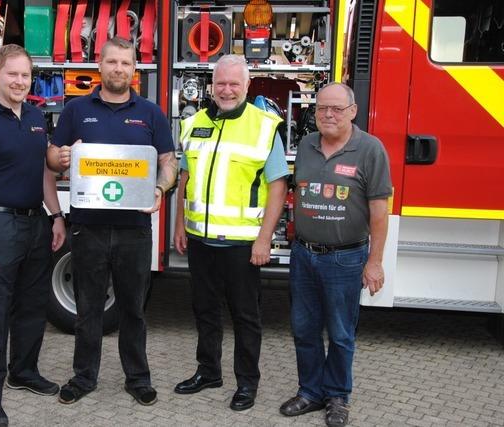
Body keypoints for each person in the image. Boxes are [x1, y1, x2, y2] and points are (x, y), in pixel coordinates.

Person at [46, 37, 177, 407]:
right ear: (100, 65)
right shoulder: (76, 110)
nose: (119, 69)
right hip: (87, 227)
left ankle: (138, 379)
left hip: (134, 230)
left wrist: (160, 188)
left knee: (133, 309)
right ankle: (83, 377)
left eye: (126, 63)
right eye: (113, 62)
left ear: (134, 69)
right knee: (88, 308)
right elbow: (52, 157)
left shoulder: (150, 113)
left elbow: (168, 161)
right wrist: (61, 157)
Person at [0, 44, 66, 427]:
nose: (20, 81)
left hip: (35, 223)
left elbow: (44, 174)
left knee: (32, 305)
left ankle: (24, 371)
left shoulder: (36, 117)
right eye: (13, 74)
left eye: (25, 75)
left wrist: (56, 216)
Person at [173, 55, 288, 411]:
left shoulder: (264, 127)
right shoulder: (194, 123)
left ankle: (247, 383)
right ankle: (208, 371)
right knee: (204, 310)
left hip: (242, 244)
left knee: (245, 316)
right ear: (212, 85)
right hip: (200, 240)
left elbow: (278, 186)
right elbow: (185, 177)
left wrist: (264, 239)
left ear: (247, 86)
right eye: (220, 83)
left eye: (234, 84)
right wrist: (179, 224)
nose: (226, 90)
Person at [280, 82, 392, 427]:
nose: (328, 114)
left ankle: (338, 396)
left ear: (353, 112)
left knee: (341, 334)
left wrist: (375, 262)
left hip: (345, 259)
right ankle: (310, 392)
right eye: (321, 108)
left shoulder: (370, 149)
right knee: (304, 329)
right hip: (304, 255)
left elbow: (379, 212)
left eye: (337, 109)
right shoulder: (307, 145)